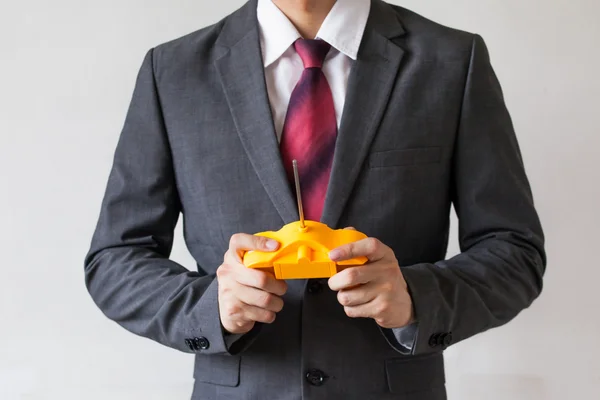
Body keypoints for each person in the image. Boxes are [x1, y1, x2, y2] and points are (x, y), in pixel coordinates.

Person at [84, 0, 546, 398]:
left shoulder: (451, 61)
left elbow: (514, 252)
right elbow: (115, 259)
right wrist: (210, 307)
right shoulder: (173, 72)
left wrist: (415, 298)